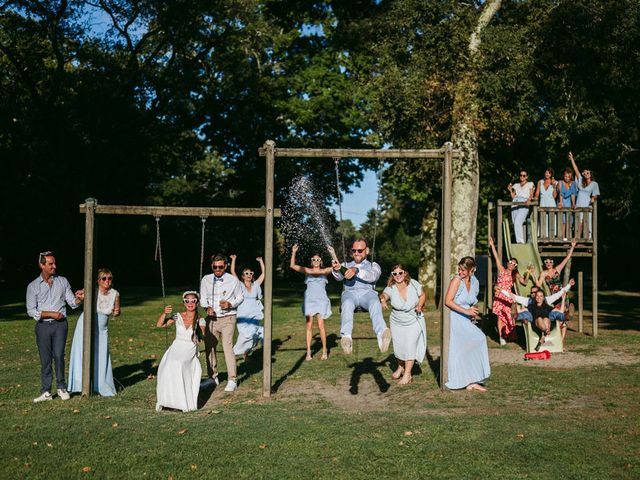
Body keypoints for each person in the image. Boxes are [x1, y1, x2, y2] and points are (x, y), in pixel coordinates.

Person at [26, 251, 84, 402]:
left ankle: (61, 388)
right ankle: (46, 391)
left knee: (58, 355)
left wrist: (79, 299)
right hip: (43, 327)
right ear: (42, 265)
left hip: (60, 326)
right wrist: (51, 314)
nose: (54, 266)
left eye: (54, 263)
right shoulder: (33, 286)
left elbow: (72, 303)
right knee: (45, 359)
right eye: (50, 264)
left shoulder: (62, 281)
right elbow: (31, 310)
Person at [329, 238, 391, 355]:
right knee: (346, 304)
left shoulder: (374, 265)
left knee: (374, 302)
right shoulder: (346, 264)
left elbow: (373, 276)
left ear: (366, 251)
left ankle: (381, 334)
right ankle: (346, 337)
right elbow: (338, 277)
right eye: (354, 251)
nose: (356, 253)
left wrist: (356, 270)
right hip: (349, 293)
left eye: (359, 250)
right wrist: (336, 269)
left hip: (367, 293)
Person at [68, 268, 120, 396]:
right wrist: (79, 296)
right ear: (98, 281)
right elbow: (79, 297)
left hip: (102, 329)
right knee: (82, 352)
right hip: (86, 324)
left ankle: (101, 385)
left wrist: (116, 312)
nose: (107, 281)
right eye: (104, 278)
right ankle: (79, 384)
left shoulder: (115, 294)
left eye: (109, 278)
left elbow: (117, 311)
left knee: (102, 356)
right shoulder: (92, 291)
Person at [444, 256, 490, 391]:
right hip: (455, 317)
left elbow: (472, 301)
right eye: (459, 269)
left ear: (472, 270)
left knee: (476, 342)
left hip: (466, 318)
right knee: (474, 341)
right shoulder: (456, 281)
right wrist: (466, 311)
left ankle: (471, 380)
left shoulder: (475, 282)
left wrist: (472, 312)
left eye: (464, 270)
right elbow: (448, 301)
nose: (460, 272)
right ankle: (459, 379)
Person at [155, 291, 206, 412]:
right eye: (187, 301)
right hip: (177, 345)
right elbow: (160, 325)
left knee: (179, 364)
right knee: (169, 363)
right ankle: (167, 400)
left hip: (189, 347)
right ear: (184, 303)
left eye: (193, 301)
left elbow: (202, 336)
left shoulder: (200, 319)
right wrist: (164, 313)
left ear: (197, 303)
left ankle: (180, 402)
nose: (190, 303)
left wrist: (199, 334)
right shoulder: (177, 316)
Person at [199, 254, 243, 392]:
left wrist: (230, 304)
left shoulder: (233, 280)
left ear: (225, 266)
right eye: (215, 267)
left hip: (228, 318)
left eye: (220, 267)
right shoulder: (206, 279)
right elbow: (203, 298)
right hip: (211, 319)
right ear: (212, 266)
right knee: (209, 348)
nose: (217, 269)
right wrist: (207, 307)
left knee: (227, 347)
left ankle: (232, 379)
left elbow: (240, 297)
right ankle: (213, 377)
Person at [379, 265, 426, 385]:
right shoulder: (391, 287)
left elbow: (423, 295)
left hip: (413, 319)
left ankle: (407, 374)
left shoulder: (414, 284)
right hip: (397, 321)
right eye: (395, 274)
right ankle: (400, 367)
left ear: (405, 273)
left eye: (400, 273)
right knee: (399, 346)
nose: (398, 275)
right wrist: (383, 300)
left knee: (410, 345)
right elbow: (384, 294)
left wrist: (420, 305)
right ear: (392, 275)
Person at [500, 279, 574, 350]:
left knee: (549, 317)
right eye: (533, 293)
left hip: (547, 324)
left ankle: (567, 316)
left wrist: (568, 287)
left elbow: (559, 296)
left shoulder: (547, 304)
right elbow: (518, 302)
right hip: (537, 325)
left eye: (538, 294)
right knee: (533, 316)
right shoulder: (531, 305)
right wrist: (512, 299)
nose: (535, 295)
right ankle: (516, 316)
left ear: (543, 297)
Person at [289, 245, 334, 360]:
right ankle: (308, 352)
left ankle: (324, 350)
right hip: (309, 301)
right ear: (311, 261)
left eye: (318, 259)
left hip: (321, 301)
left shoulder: (325, 271)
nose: (316, 261)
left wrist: (333, 253)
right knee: (309, 325)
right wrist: (294, 252)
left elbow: (337, 267)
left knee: (321, 325)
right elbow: (292, 266)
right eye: (313, 259)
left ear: (321, 261)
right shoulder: (307, 271)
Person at [488, 237, 531, 345]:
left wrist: (528, 273)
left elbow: (524, 282)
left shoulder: (515, 274)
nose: (512, 265)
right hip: (499, 295)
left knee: (509, 317)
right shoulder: (502, 270)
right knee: (500, 316)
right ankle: (501, 337)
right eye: (511, 262)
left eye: (514, 264)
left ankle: (509, 335)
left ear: (516, 266)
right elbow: (497, 258)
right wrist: (492, 245)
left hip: (508, 296)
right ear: (508, 263)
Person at [229, 254, 265, 360]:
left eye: (251, 273)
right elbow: (233, 272)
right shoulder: (240, 285)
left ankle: (246, 352)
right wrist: (234, 259)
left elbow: (264, 273)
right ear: (243, 276)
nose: (249, 275)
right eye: (246, 273)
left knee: (255, 334)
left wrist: (261, 261)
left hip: (254, 313)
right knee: (245, 335)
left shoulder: (256, 285)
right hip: (243, 314)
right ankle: (234, 352)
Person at [569, 152, 600, 238]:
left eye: (588, 173)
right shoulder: (580, 180)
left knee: (586, 222)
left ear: (590, 174)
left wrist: (593, 198)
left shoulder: (594, 184)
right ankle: (577, 240)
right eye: (584, 173)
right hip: (579, 203)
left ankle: (586, 240)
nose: (586, 174)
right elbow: (576, 169)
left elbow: (595, 195)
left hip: (587, 204)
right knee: (578, 223)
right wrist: (572, 158)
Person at [508, 169, 535, 243]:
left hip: (524, 202)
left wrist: (529, 200)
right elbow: (513, 196)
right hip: (515, 202)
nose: (522, 177)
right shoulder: (516, 185)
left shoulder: (530, 184)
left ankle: (520, 242)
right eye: (521, 175)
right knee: (515, 222)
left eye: (524, 175)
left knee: (518, 222)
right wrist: (510, 190)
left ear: (527, 177)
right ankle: (519, 241)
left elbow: (531, 194)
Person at [534, 167, 558, 237]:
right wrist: (534, 199)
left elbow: (555, 196)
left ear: (551, 174)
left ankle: (552, 236)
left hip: (551, 203)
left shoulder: (555, 182)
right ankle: (543, 236)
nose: (547, 174)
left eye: (549, 173)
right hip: (543, 203)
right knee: (543, 220)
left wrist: (554, 186)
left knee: (551, 220)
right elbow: (537, 193)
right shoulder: (540, 182)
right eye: (546, 172)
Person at [556, 167, 577, 240]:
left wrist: (573, 203)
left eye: (569, 176)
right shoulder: (560, 182)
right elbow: (561, 194)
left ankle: (568, 238)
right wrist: (561, 203)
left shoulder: (573, 183)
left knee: (569, 221)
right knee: (563, 221)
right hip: (562, 202)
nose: (567, 178)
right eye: (565, 176)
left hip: (569, 202)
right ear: (563, 175)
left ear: (571, 176)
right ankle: (562, 237)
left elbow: (573, 194)